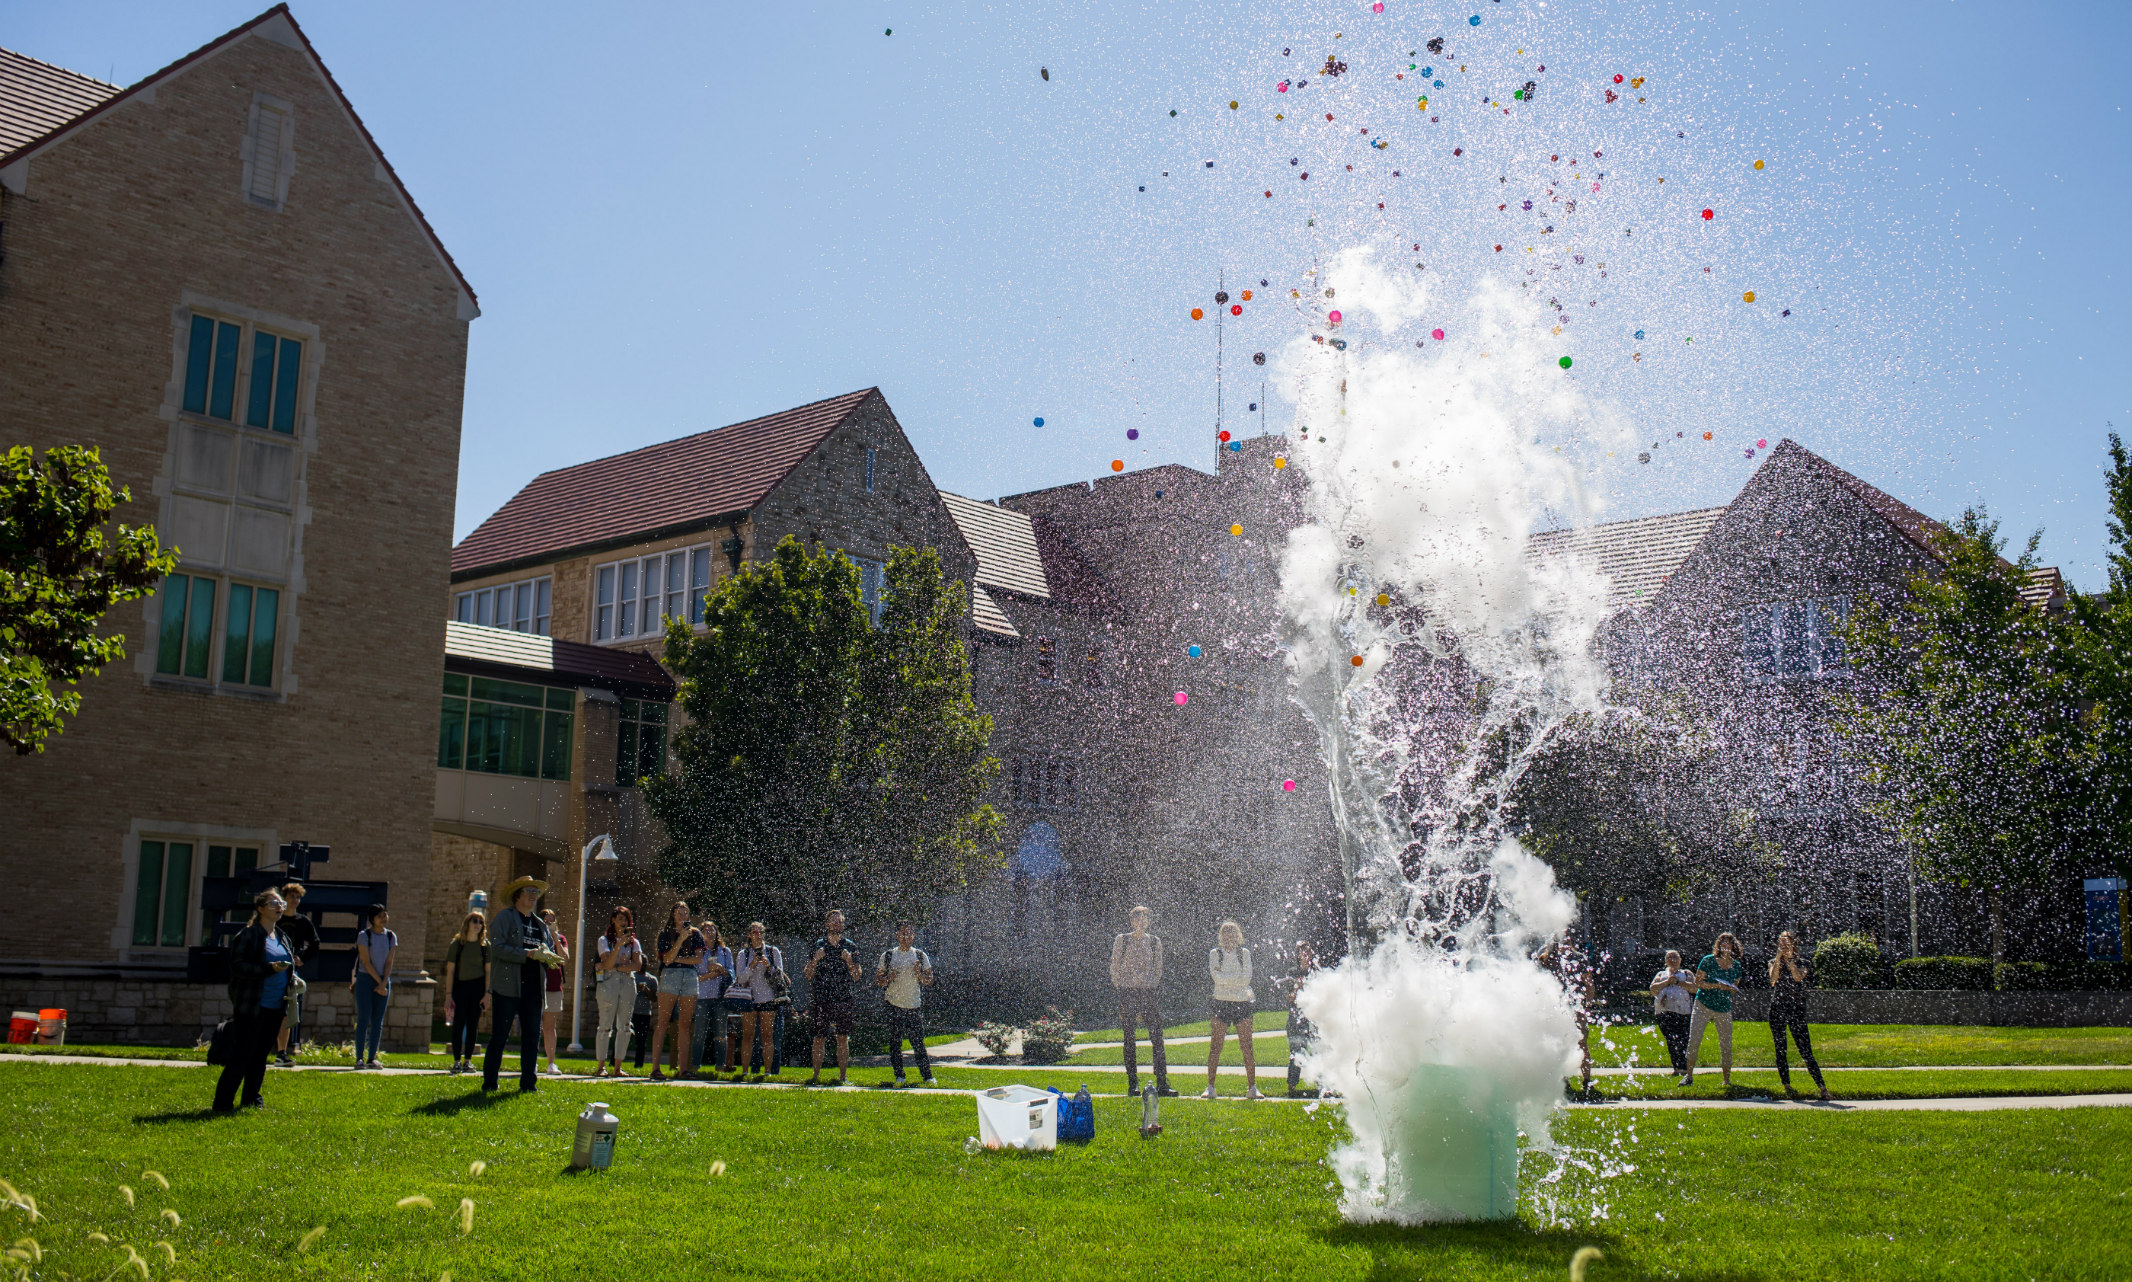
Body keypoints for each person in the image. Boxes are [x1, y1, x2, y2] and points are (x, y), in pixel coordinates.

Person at [214, 888, 296, 1112]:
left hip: (275, 1005)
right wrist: (268, 968)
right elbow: (238, 966)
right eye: (273, 903)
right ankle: (222, 1103)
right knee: (242, 1054)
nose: (279, 906)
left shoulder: (281, 936)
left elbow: (288, 964)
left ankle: (252, 1099)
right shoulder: (248, 935)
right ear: (260, 909)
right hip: (252, 1005)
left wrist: (293, 977)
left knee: (260, 1055)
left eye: (281, 903)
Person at [484, 876, 560, 1093]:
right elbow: (496, 948)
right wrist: (526, 953)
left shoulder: (539, 924)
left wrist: (549, 958)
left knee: (531, 1039)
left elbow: (546, 952)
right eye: (528, 890)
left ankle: (528, 1085)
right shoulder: (505, 918)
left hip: (534, 990)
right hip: (507, 987)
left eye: (536, 891)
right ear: (517, 895)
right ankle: (489, 1083)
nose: (533, 894)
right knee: (500, 1037)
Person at [1110, 905, 1174, 1097]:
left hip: (1148, 993)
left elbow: (1158, 969)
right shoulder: (1123, 940)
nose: (1140, 922)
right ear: (1131, 921)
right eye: (1137, 919)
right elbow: (1114, 968)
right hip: (1128, 993)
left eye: (1144, 918)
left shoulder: (1155, 942)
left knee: (1157, 1037)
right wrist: (1123, 986)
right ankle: (1133, 1083)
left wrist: (1149, 985)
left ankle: (1162, 1082)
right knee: (1129, 1038)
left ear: (1148, 921)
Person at [1204, 920, 1263, 1100]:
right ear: (1221, 936)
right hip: (1220, 1003)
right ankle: (1210, 1087)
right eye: (1226, 932)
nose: (1229, 935)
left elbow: (1246, 979)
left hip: (1241, 1003)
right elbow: (1216, 978)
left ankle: (1252, 1087)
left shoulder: (1244, 953)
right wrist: (1233, 979)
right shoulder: (1215, 954)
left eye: (1233, 932)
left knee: (1247, 1046)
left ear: (1238, 935)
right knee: (1216, 1046)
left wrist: (1226, 978)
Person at [1768, 931, 1830, 1100]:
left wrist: (1790, 963)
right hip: (1778, 1008)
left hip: (1796, 1009)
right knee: (1781, 1048)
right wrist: (1780, 959)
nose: (1784, 946)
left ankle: (1822, 1087)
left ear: (1793, 944)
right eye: (1781, 944)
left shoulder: (1803, 962)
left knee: (1805, 1049)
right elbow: (1773, 980)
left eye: (1787, 943)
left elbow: (1797, 977)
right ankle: (1786, 1084)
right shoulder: (1773, 962)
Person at [804, 908, 862, 1086]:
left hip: (843, 997)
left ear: (843, 925)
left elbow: (857, 976)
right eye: (833, 921)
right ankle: (815, 1076)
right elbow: (807, 974)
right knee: (819, 1037)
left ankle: (843, 1077)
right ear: (827, 924)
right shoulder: (818, 945)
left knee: (842, 1037)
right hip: (822, 998)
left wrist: (850, 961)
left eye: (840, 921)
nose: (837, 924)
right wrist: (815, 959)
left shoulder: (850, 946)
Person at [875, 921, 935, 1087]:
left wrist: (919, 975)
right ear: (896, 936)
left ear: (913, 936)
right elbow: (878, 980)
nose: (905, 937)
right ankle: (900, 1076)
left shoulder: (920, 956)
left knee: (918, 1043)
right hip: (893, 1004)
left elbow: (929, 980)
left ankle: (927, 1077)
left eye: (908, 934)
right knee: (895, 1042)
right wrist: (889, 978)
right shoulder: (888, 956)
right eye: (902, 934)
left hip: (913, 1004)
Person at [1536, 930, 1595, 1097]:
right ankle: (1564, 1081)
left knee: (1581, 1044)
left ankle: (1587, 1082)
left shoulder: (1578, 958)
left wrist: (1587, 1004)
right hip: (1554, 1008)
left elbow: (1588, 982)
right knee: (1559, 1046)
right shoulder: (1545, 959)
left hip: (1574, 1007)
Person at [650, 900, 706, 1080]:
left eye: (686, 913)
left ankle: (684, 1069)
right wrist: (681, 939)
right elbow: (666, 960)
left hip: (689, 977)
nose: (683, 916)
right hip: (670, 976)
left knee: (684, 1024)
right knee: (663, 1022)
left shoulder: (696, 934)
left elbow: (698, 959)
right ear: (673, 915)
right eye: (679, 913)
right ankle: (656, 1068)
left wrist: (678, 959)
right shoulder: (665, 934)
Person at [1685, 931, 1745, 1089]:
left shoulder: (1736, 966)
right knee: (1694, 1040)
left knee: (1726, 1044)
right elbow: (1698, 983)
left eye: (1728, 944)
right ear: (1718, 945)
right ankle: (1688, 1075)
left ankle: (1726, 1079)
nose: (1725, 947)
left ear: (1733, 946)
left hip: (1723, 1008)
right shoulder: (1708, 961)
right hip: (1703, 1005)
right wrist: (1717, 985)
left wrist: (1730, 988)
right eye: (1722, 944)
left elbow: (1735, 987)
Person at [726, 921, 785, 1079]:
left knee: (767, 1035)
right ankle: (745, 1071)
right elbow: (740, 978)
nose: (757, 935)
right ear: (749, 935)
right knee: (748, 1034)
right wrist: (751, 965)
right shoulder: (743, 954)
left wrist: (769, 966)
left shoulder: (773, 952)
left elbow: (780, 976)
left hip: (768, 997)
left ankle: (767, 1072)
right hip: (749, 998)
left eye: (760, 932)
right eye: (754, 932)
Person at [594, 906, 644, 1078]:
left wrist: (619, 966)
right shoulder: (604, 940)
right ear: (613, 920)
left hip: (627, 982)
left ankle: (617, 1067)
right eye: (620, 919)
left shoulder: (634, 943)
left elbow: (637, 965)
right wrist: (619, 946)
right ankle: (601, 1066)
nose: (623, 923)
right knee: (605, 1024)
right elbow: (607, 964)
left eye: (626, 920)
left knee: (624, 1025)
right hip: (609, 982)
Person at [273, 882, 319, 1066]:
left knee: (288, 1009)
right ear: (284, 898)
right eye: (292, 896)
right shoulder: (276, 919)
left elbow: (315, 943)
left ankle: (282, 1051)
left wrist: (302, 958)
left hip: (290, 970)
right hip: (271, 968)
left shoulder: (302, 921)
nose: (295, 900)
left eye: (298, 897)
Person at [442, 911, 490, 1074]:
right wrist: (448, 995)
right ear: (467, 923)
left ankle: (468, 1061)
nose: (478, 924)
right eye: (475, 921)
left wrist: (487, 994)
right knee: (458, 1024)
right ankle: (456, 1060)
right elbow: (450, 970)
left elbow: (488, 971)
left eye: (481, 922)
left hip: (477, 988)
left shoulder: (485, 946)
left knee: (472, 1025)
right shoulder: (457, 944)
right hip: (460, 987)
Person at [351, 904, 396, 1070]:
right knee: (363, 1018)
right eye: (379, 916)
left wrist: (384, 983)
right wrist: (379, 982)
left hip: (384, 981)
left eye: (385, 915)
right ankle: (359, 1058)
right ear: (372, 919)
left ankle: (372, 1058)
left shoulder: (391, 936)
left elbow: (389, 961)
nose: (383, 918)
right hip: (365, 979)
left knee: (378, 1020)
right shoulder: (364, 935)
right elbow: (366, 962)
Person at [1275, 940, 1319, 1097]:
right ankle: (1292, 1086)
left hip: (1313, 1017)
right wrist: (1297, 987)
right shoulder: (1292, 973)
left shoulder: (1316, 971)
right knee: (1297, 1052)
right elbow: (1289, 998)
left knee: (1317, 1050)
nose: (1306, 954)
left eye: (1308, 951)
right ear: (1297, 955)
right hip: (1296, 1018)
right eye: (1302, 951)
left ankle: (1322, 1085)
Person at [690, 919, 733, 1082]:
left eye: (712, 930)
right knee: (699, 1033)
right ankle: (695, 1065)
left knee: (721, 1033)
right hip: (702, 997)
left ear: (717, 933)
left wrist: (722, 971)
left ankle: (720, 1065)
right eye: (706, 930)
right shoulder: (698, 952)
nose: (709, 932)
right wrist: (709, 974)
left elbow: (732, 974)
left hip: (720, 997)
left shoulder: (724, 951)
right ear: (701, 934)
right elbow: (693, 977)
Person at [1649, 949, 1697, 1080]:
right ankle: (1676, 1067)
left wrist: (1678, 982)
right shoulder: (1661, 974)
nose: (1672, 960)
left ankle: (1684, 1066)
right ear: (1665, 961)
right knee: (1671, 1039)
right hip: (1664, 1011)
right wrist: (1667, 982)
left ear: (1680, 960)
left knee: (1683, 1038)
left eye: (1675, 957)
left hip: (1683, 1011)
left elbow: (1695, 988)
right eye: (1669, 957)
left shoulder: (1686, 973)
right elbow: (1653, 989)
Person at [538, 907, 572, 1075]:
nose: (550, 924)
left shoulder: (561, 938)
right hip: (536, 985)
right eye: (546, 921)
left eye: (552, 921)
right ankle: (532, 1061)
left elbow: (565, 960)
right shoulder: (535, 936)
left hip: (553, 986)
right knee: (534, 1026)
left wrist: (556, 941)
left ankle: (551, 1063)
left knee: (549, 1027)